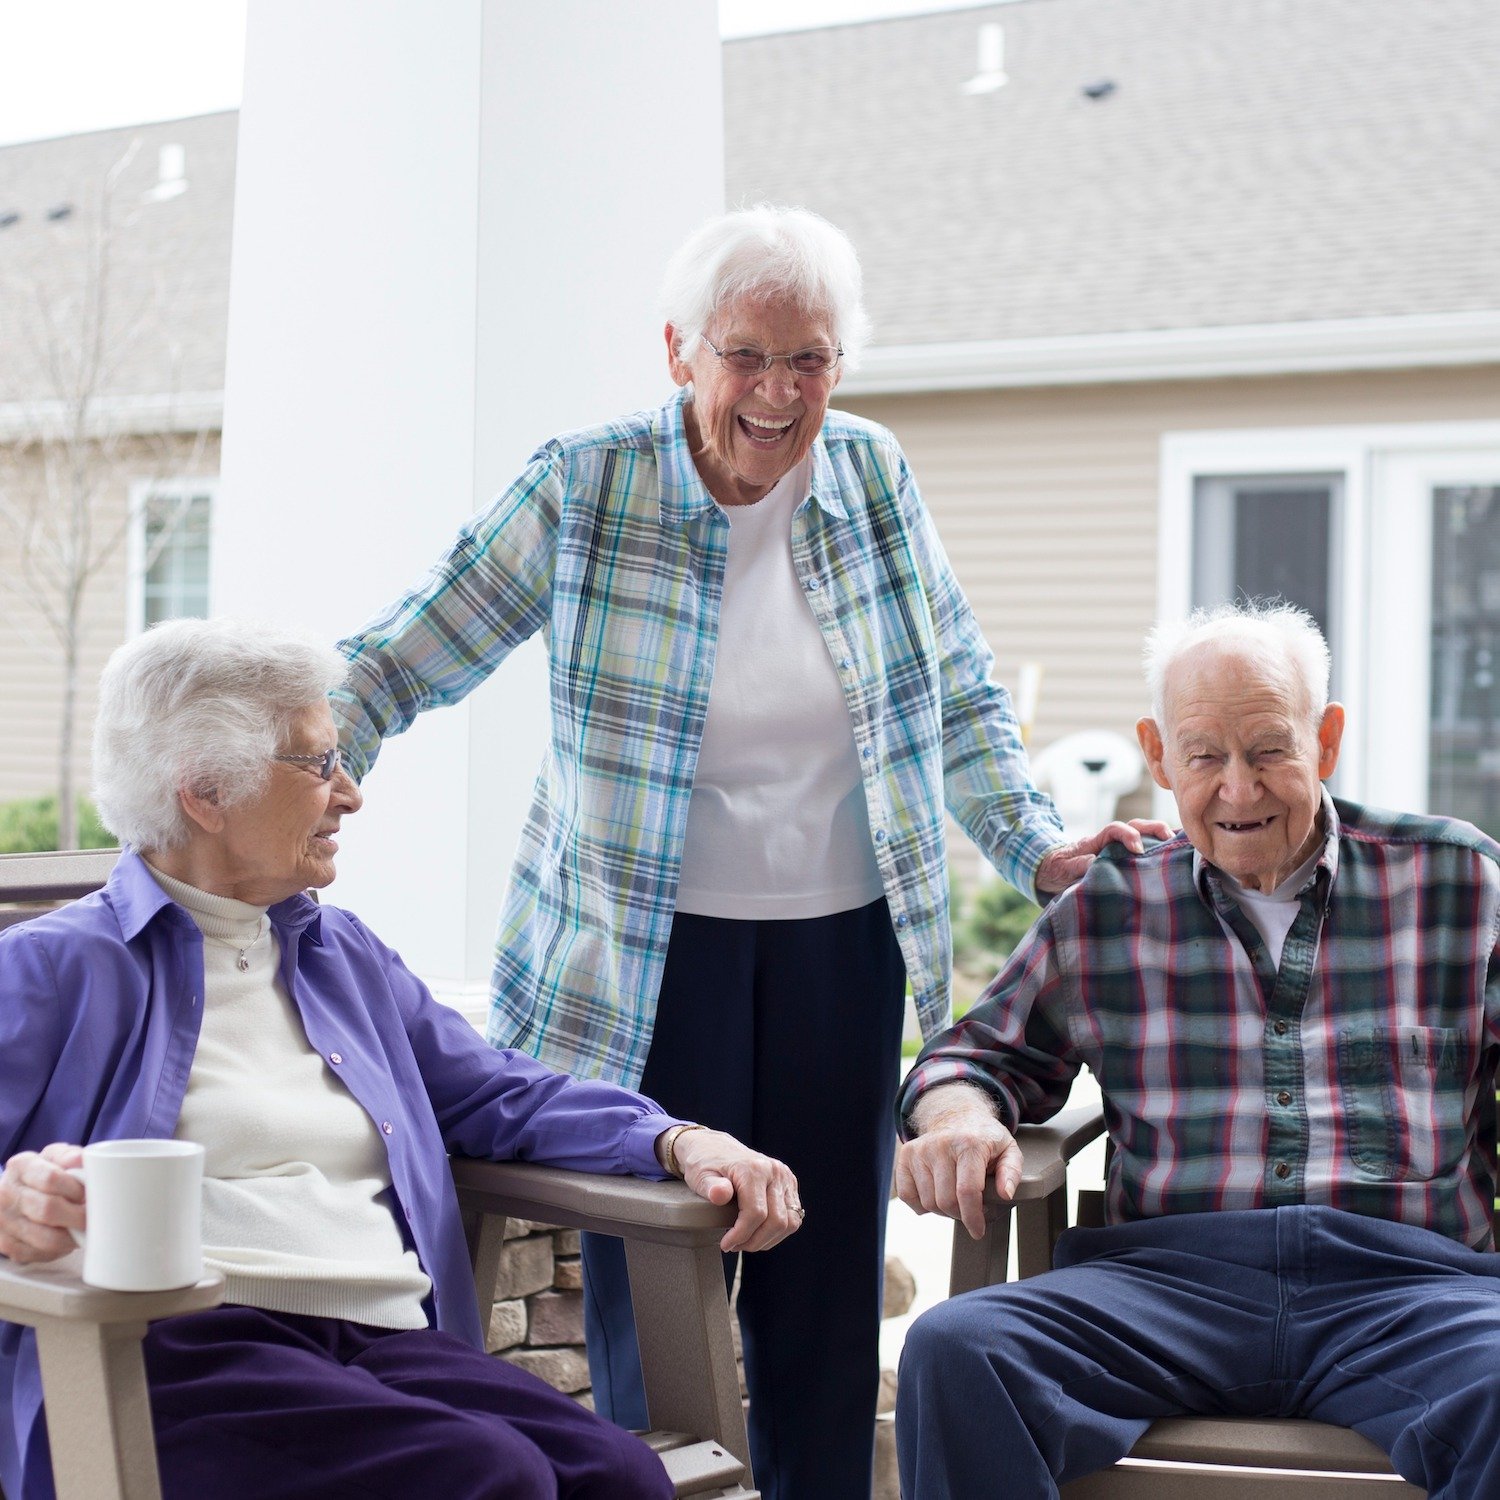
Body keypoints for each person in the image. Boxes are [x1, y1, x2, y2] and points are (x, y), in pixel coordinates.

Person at [332, 203, 1164, 1499]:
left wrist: (1036, 846)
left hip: (847, 941)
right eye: (748, 355)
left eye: (812, 360)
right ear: (680, 352)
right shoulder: (586, 484)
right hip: (644, 957)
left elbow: (955, 692)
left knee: (825, 1308)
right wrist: (301, 760)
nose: (779, 393)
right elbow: (406, 652)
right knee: (663, 1294)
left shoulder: (874, 477)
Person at [0, 618, 800, 1500]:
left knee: (613, 1474)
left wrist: (674, 1140)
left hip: (386, 1343)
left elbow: (502, 1093)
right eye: (316, 764)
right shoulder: (52, 968)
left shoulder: (341, 956)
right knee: (487, 1476)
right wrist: (16, 1206)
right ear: (205, 793)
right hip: (175, 1355)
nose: (348, 794)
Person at [894, 600, 1500, 1500]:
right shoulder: (1110, 907)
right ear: (1159, 755)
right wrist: (956, 1120)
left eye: (1268, 751)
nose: (1238, 790)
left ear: (1325, 741)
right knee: (957, 1350)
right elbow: (968, 1058)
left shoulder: (1456, 879)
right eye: (1205, 755)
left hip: (1410, 1293)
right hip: (1167, 1292)